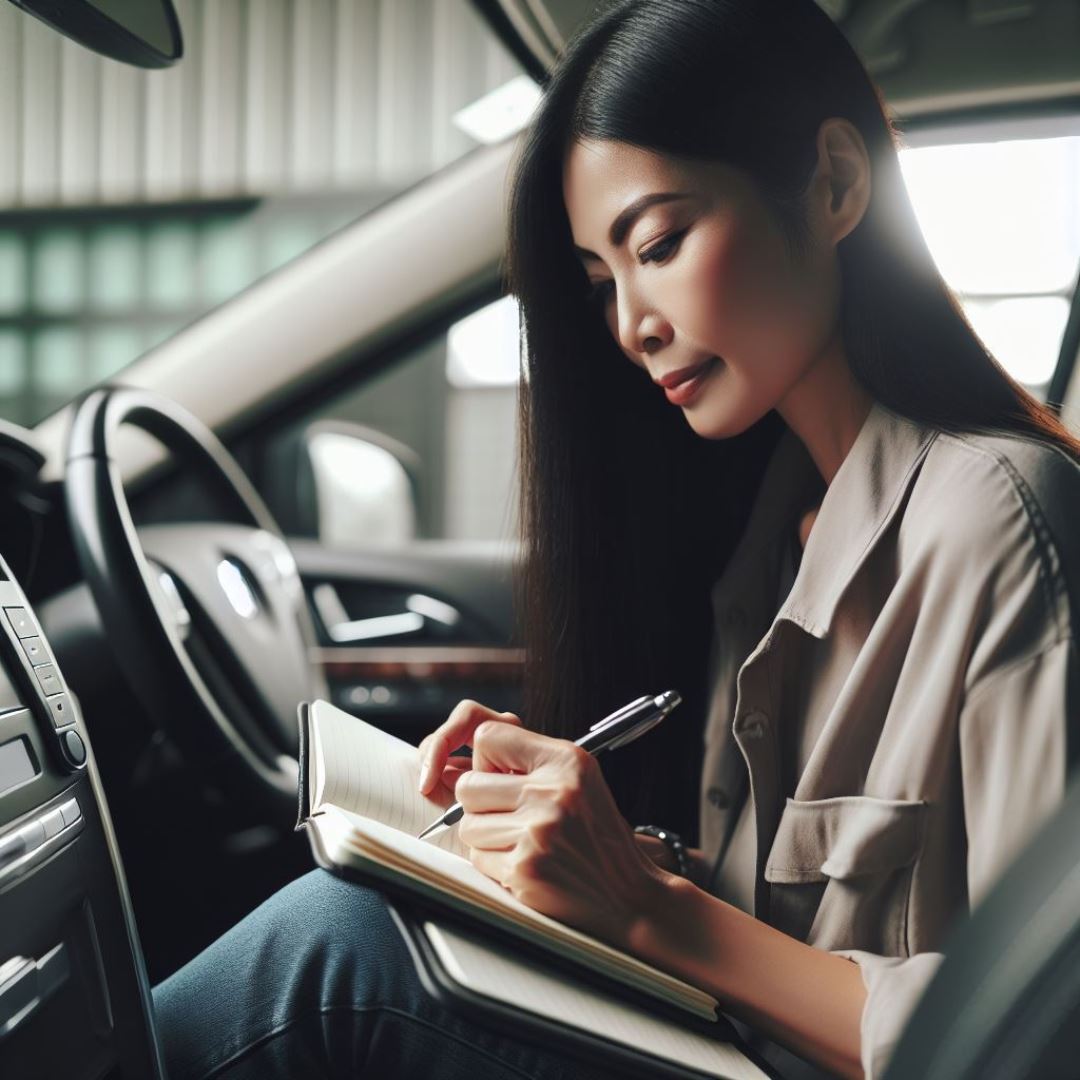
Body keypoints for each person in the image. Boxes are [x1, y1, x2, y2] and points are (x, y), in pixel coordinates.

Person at [151, 1, 1080, 1077]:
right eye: (602, 282)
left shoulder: (1001, 516)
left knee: (335, 953)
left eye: (660, 243)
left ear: (834, 184)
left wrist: (646, 908)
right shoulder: (773, 538)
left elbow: (1046, 1026)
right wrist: (586, 849)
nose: (633, 322)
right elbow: (791, 930)